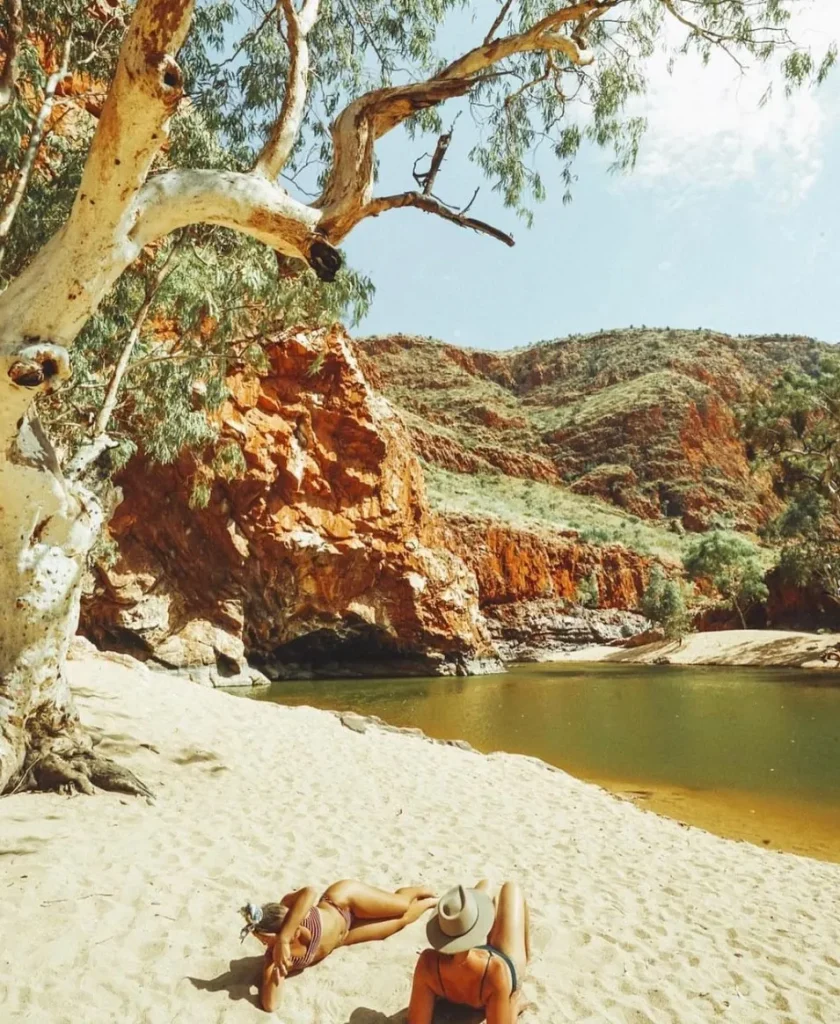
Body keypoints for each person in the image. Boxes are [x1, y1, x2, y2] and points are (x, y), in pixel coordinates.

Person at [240, 879, 437, 1012]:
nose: (263, 942)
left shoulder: (288, 908)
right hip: (345, 936)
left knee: (400, 905)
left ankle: (419, 890)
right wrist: (275, 970)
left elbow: (310, 892)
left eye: (265, 937)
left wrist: (283, 938)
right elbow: (271, 1005)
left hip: (343, 901)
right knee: (400, 922)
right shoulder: (278, 958)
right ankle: (430, 902)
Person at [408, 880, 530, 1024]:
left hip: (471, 963)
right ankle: (527, 955)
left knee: (485, 885)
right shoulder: (495, 971)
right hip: (496, 965)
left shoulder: (427, 962)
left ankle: (475, 916)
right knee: (511, 888)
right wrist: (514, 1006)